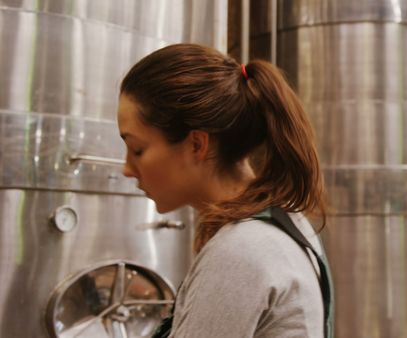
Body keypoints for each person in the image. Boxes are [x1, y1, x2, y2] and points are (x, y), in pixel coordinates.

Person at [117, 43, 334, 338]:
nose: (126, 169)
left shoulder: (242, 249)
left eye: (137, 149)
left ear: (196, 144)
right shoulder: (283, 222)